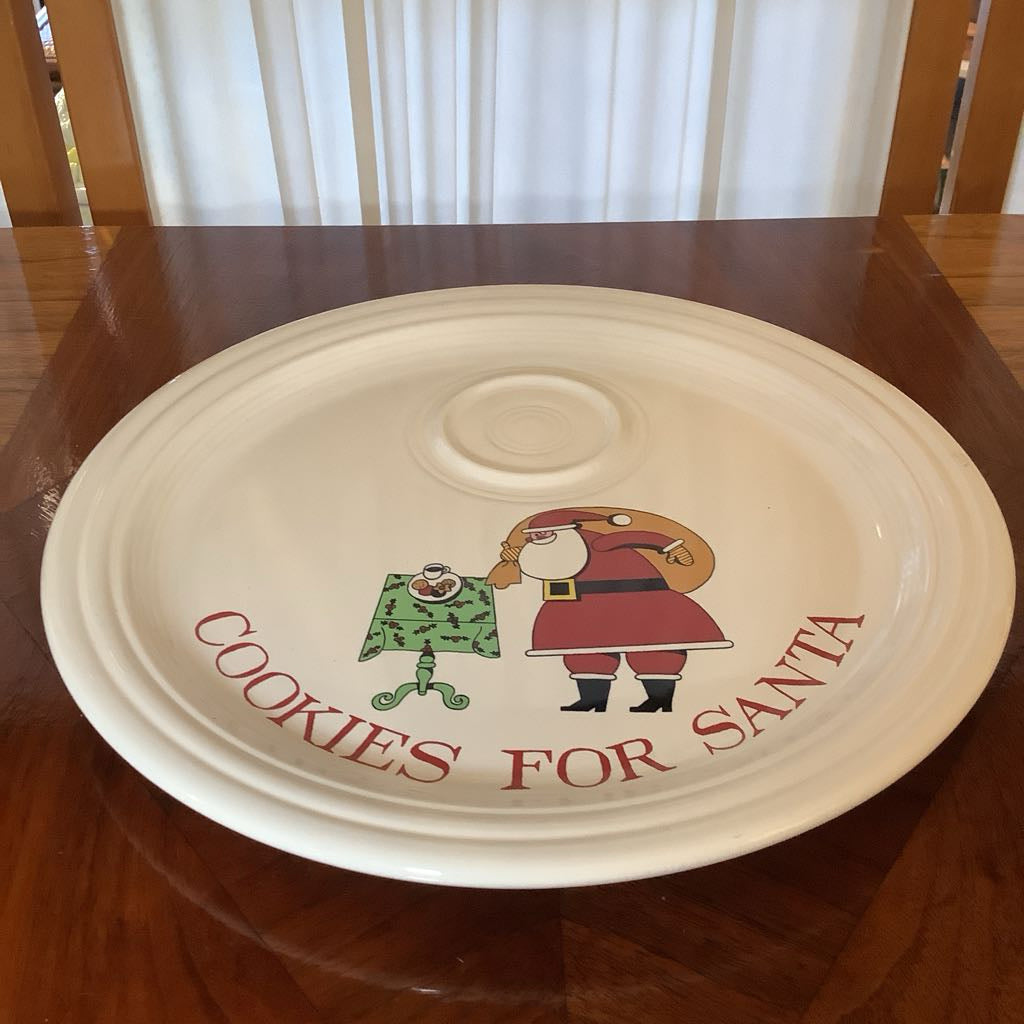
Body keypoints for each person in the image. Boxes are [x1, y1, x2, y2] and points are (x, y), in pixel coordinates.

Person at [486, 507, 731, 712]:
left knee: (653, 652)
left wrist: (671, 547)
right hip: (580, 606)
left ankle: (659, 700)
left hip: (638, 601)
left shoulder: (598, 542)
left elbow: (637, 536)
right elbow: (547, 568)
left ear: (564, 531)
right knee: (584, 654)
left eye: (542, 535)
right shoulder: (552, 550)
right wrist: (517, 558)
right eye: (532, 537)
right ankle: (592, 701)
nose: (534, 540)